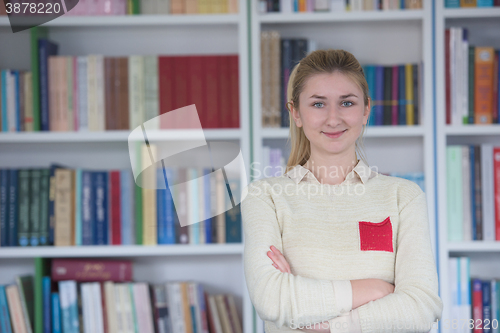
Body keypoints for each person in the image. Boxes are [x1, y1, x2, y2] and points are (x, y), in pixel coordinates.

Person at [241, 49, 443, 333]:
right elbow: (271, 300)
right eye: (318, 104)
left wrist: (322, 324)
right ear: (296, 113)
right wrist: (374, 289)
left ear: (366, 110)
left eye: (347, 103)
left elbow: (420, 309)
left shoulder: (403, 197)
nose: (333, 118)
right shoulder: (265, 197)